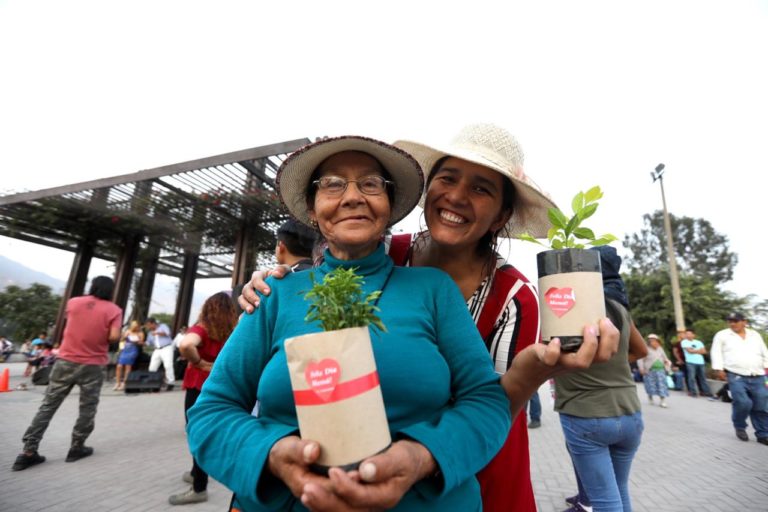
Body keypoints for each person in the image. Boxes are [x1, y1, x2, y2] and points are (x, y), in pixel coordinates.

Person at [240, 124, 620, 512]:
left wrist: (532, 372)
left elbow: (490, 405)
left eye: (480, 188)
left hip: (471, 459)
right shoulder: (387, 249)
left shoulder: (514, 296)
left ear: (501, 214)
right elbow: (330, 273)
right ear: (427, 190)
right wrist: (279, 277)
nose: (456, 196)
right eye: (447, 179)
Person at [188, 135, 517, 512]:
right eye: (331, 184)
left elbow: (486, 401)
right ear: (312, 210)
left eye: (371, 184)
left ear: (389, 206)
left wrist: (420, 457)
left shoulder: (433, 290)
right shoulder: (275, 294)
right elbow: (212, 411)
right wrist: (275, 454)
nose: (352, 196)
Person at [555, 246, 645, 512]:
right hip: (630, 414)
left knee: (605, 502)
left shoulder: (570, 307)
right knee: (618, 493)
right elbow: (640, 351)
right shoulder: (619, 309)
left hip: (586, 415)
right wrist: (611, 362)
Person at [12, 276, 122, 471]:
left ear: (93, 286)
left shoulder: (74, 302)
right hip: (93, 365)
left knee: (48, 406)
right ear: (110, 290)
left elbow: (71, 322)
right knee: (87, 408)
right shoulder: (114, 310)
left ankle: (28, 451)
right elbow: (114, 336)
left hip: (65, 362)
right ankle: (76, 447)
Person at [169, 292, 238, 506]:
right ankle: (195, 472)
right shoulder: (233, 330)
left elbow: (186, 345)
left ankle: (199, 487)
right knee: (207, 432)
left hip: (198, 387)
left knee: (196, 433)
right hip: (221, 387)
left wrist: (199, 362)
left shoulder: (202, 328)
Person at [710, 312, 768, 444]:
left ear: (744, 322)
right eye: (730, 321)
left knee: (761, 405)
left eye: (735, 321)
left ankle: (763, 434)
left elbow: (764, 351)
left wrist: (767, 367)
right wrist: (719, 368)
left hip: (757, 374)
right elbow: (716, 352)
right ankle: (740, 426)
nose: (732, 324)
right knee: (743, 402)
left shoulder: (755, 335)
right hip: (736, 374)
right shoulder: (722, 335)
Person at [637, 333, 672, 408]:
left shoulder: (660, 348)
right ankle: (650, 396)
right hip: (649, 370)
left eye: (655, 341)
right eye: (651, 341)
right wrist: (641, 368)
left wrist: (666, 361)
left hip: (660, 370)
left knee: (662, 385)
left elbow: (665, 357)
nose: (653, 342)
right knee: (650, 385)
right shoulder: (645, 349)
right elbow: (640, 359)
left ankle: (662, 401)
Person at [114, 320, 145, 391]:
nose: (135, 328)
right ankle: (117, 383)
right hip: (125, 349)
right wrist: (124, 337)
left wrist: (137, 341)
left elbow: (141, 343)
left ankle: (125, 382)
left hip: (133, 349)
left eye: (136, 326)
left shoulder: (140, 333)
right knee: (119, 366)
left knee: (128, 366)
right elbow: (121, 340)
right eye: (134, 326)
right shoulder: (128, 331)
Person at [145, 317, 175, 391]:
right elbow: (148, 343)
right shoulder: (150, 333)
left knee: (168, 365)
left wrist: (157, 333)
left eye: (149, 325)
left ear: (153, 323)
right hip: (157, 350)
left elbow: (168, 333)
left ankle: (170, 382)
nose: (148, 327)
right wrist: (140, 342)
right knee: (152, 367)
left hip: (166, 347)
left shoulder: (163, 326)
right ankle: (152, 382)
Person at [681, 328, 712, 397]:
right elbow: (689, 351)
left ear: (693, 335)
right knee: (691, 378)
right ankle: (693, 392)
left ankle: (706, 392)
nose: (688, 335)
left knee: (703, 378)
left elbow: (704, 351)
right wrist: (699, 351)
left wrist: (694, 350)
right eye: (686, 334)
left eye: (689, 334)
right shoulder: (684, 342)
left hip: (701, 362)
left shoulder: (699, 342)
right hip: (690, 362)